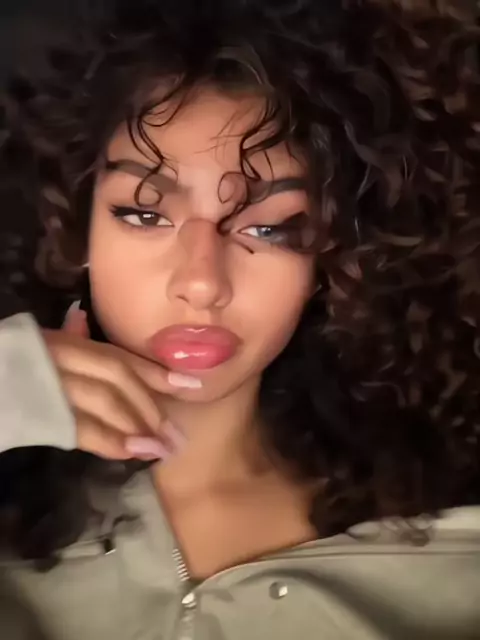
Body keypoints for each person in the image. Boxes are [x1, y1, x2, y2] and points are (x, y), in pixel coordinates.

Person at [0, 0, 479, 638]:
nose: (202, 283)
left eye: (270, 227)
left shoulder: (450, 559)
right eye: (144, 212)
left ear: (332, 260)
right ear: (74, 230)